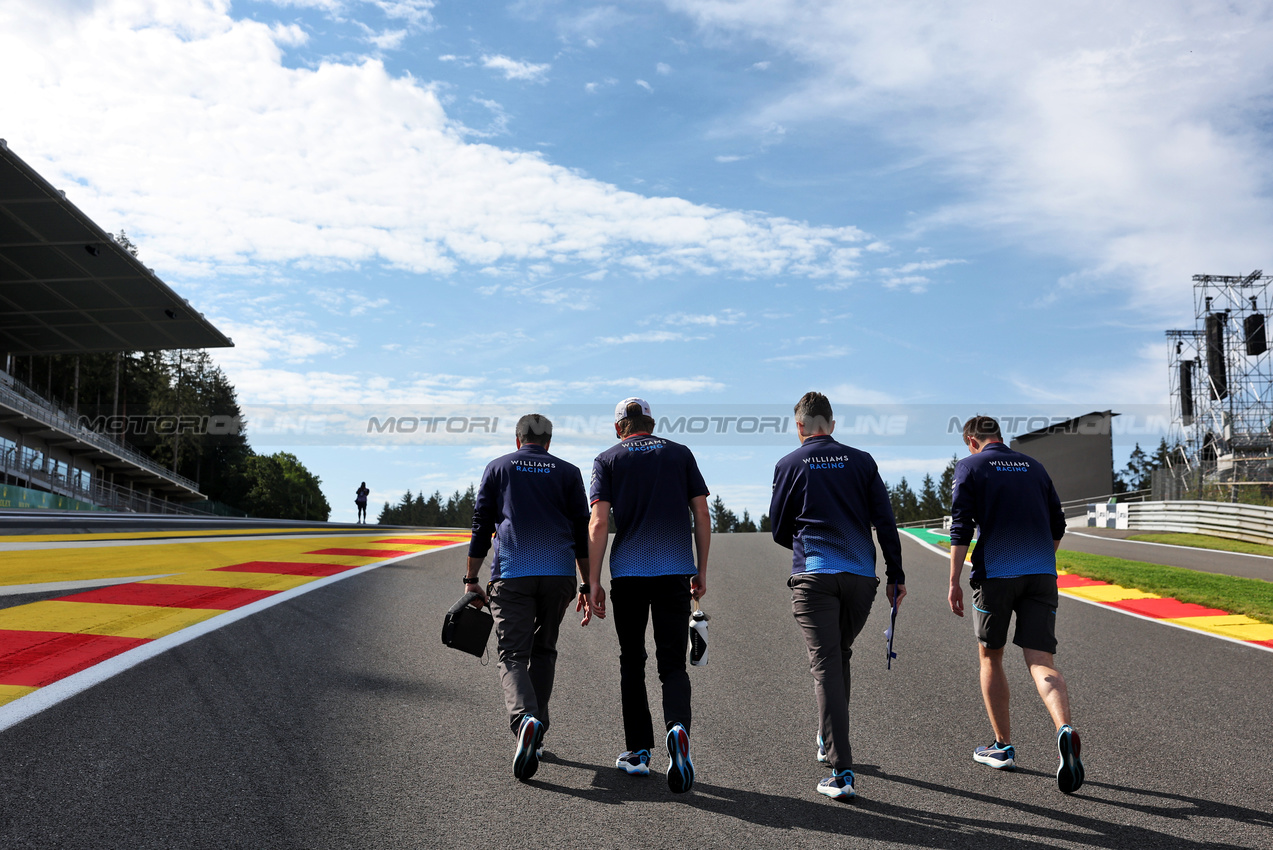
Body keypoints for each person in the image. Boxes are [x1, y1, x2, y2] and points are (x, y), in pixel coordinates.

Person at [769, 391, 905, 801]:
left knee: (826, 661)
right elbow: (884, 521)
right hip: (862, 578)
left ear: (799, 427)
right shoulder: (861, 460)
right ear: (832, 423)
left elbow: (778, 527)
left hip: (814, 576)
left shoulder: (789, 464)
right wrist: (896, 574)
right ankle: (829, 736)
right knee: (839, 655)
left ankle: (841, 770)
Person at [947, 415, 1084, 794]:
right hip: (1042, 574)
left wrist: (953, 579)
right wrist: (1040, 558)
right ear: (1000, 437)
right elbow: (1058, 524)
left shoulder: (970, 466)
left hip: (996, 576)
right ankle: (1064, 729)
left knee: (991, 657)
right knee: (1042, 661)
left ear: (973, 440)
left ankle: (1002, 745)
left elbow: (961, 527)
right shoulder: (1034, 466)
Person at [584, 397, 710, 794]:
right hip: (675, 569)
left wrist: (592, 580)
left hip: (630, 572)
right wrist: (701, 570)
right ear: (650, 423)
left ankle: (638, 752)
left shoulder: (607, 459)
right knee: (672, 663)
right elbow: (702, 515)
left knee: (632, 660)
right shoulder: (680, 453)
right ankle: (677, 728)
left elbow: (599, 521)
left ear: (620, 427)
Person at [464, 413, 590, 782]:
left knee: (513, 654)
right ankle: (537, 732)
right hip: (560, 574)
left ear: (518, 439)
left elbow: (481, 523)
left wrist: (471, 578)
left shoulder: (498, 467)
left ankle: (525, 722)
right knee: (544, 650)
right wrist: (587, 583)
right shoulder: (568, 472)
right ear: (549, 441)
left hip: (513, 573)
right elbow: (582, 530)